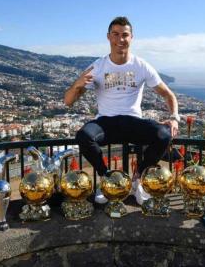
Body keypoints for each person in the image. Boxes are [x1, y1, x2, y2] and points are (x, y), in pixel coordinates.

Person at [64, 16, 180, 205]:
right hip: (105, 122)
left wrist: (174, 118)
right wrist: (77, 84)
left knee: (163, 134)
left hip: (133, 121)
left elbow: (168, 95)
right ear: (108, 37)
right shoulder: (98, 66)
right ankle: (106, 178)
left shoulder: (141, 66)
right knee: (84, 135)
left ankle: (137, 180)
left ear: (131, 37)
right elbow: (68, 101)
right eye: (116, 34)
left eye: (125, 35)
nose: (120, 39)